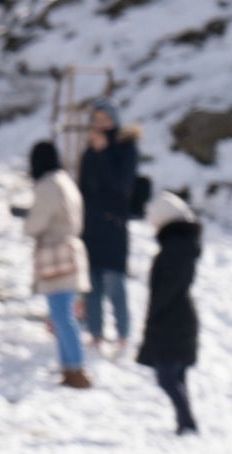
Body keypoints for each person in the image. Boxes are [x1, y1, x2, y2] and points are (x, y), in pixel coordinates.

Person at [75, 103, 147, 353]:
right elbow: (84, 187)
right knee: (91, 282)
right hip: (90, 224)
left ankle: (123, 334)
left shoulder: (126, 148)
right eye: (97, 118)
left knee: (115, 281)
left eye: (105, 118)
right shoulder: (90, 150)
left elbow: (120, 184)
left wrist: (104, 153)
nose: (101, 123)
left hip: (114, 224)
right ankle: (95, 334)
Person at [26, 137, 90, 389]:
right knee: (62, 312)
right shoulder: (66, 181)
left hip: (56, 252)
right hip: (71, 248)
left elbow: (35, 223)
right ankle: (69, 366)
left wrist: (28, 224)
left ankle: (75, 366)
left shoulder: (47, 186)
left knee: (62, 313)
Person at [137, 190, 200, 432]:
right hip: (178, 318)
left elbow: (165, 289)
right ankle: (184, 422)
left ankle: (187, 422)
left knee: (167, 377)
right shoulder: (181, 246)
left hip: (171, 322)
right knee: (177, 376)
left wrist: (153, 319)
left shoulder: (175, 249)